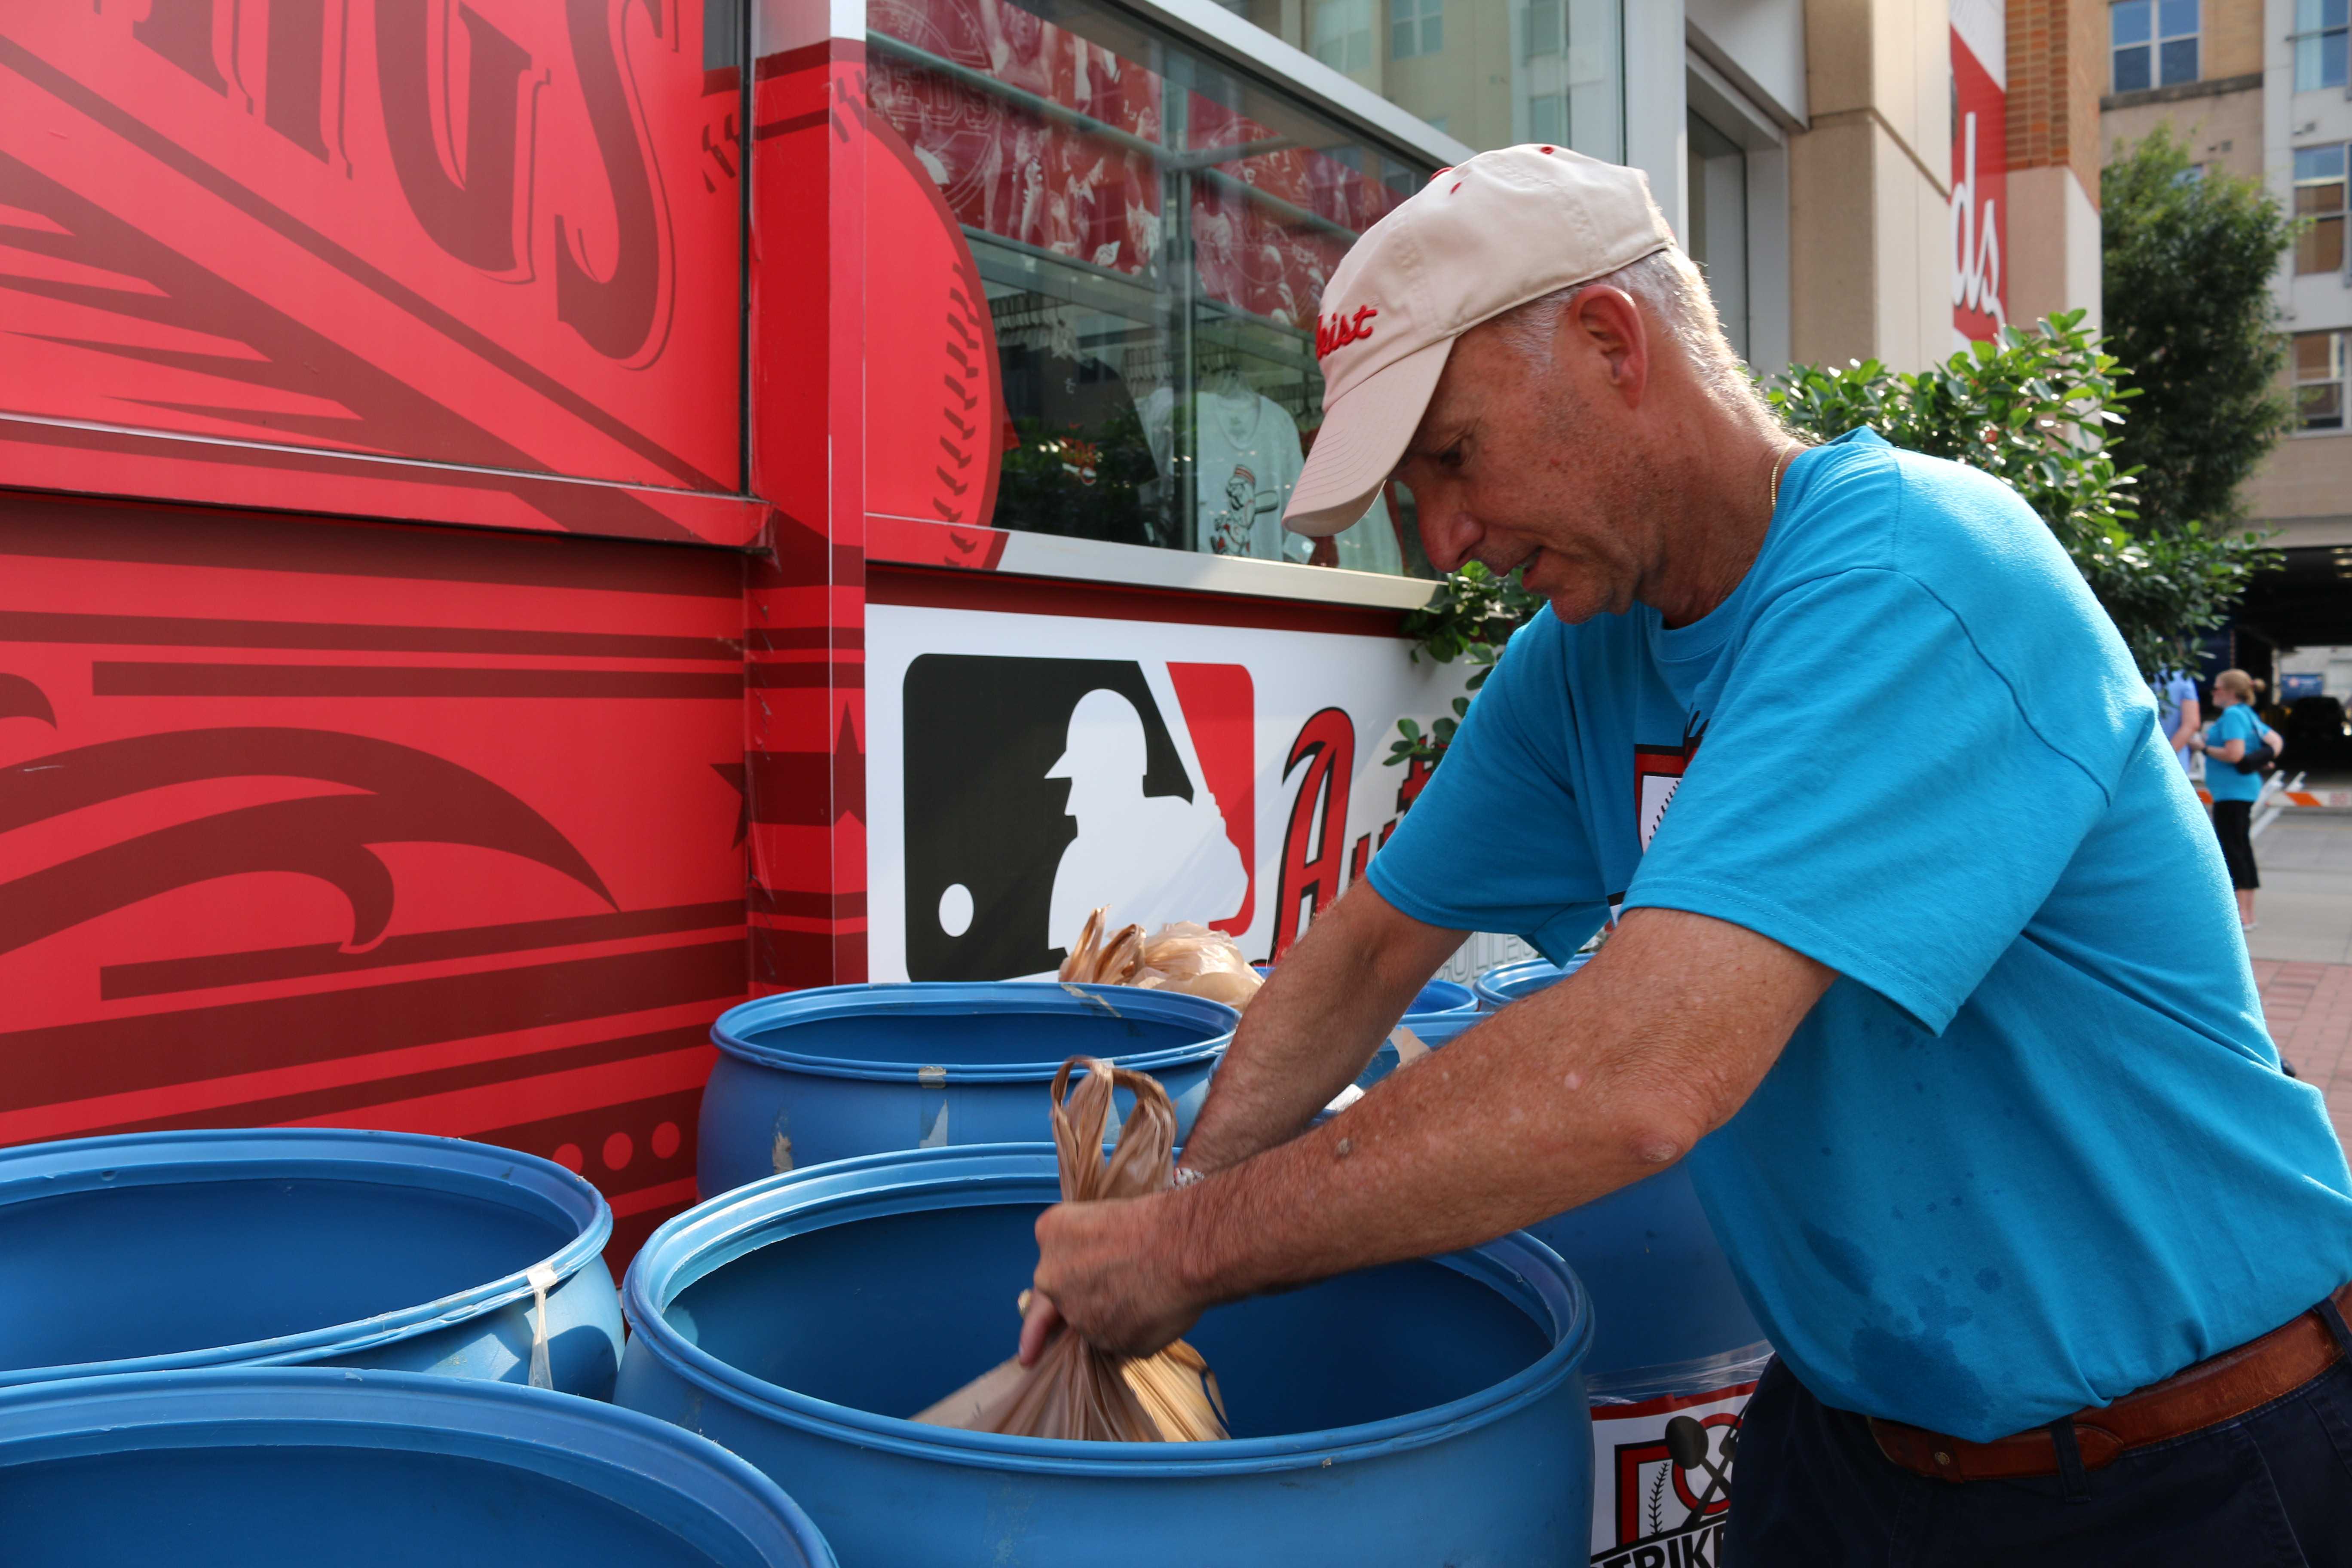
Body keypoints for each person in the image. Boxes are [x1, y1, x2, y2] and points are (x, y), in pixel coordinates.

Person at [1016, 146, 2352, 1564]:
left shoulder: (1913, 577)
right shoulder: (1577, 666)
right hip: (1852, 1445)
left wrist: (1189, 1251)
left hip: (2179, 1463)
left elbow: (1641, 1072)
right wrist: (1165, 1200)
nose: (1448, 537)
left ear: (1609, 342)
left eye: (1452, 457)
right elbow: (1363, 948)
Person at [1043, 687, 1247, 948]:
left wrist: (1216, 841)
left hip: (1178, 985)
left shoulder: (1179, 821)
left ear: (1116, 776)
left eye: (1081, 781)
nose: (1069, 807)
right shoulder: (1078, 860)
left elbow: (1231, 896)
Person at [2196, 668, 2282, 931]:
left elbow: (2234, 754)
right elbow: (2277, 742)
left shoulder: (2233, 714)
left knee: (2233, 850)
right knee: (2240, 848)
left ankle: (2242, 915)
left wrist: (2203, 748)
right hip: (2240, 791)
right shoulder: (2247, 714)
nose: (2213, 692)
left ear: (2230, 692)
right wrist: (2260, 759)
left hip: (2232, 793)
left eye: (2217, 687)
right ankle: (2247, 912)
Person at [2152, 665, 2199, 775]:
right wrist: (2165, 759)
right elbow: (2191, 724)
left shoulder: (2130, 669)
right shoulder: (2181, 676)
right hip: (2175, 764)